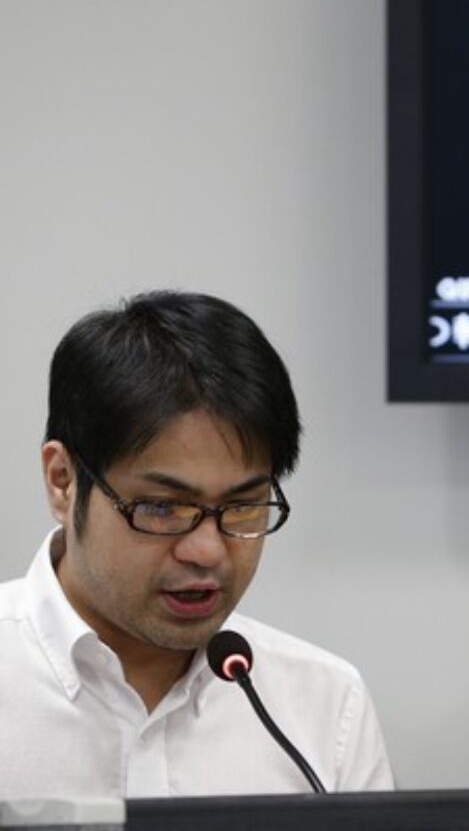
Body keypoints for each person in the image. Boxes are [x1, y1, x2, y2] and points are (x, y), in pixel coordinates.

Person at [0, 291, 392, 797]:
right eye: (163, 507)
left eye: (243, 505)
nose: (207, 552)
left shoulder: (326, 705)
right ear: (62, 481)